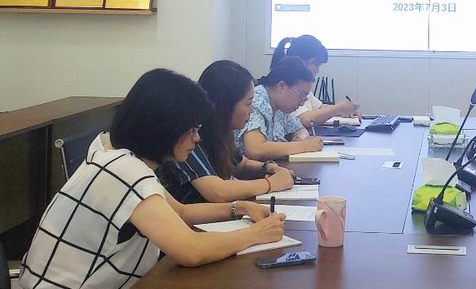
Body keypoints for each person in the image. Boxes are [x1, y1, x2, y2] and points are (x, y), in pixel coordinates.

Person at [19, 69, 286, 289]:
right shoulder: (123, 171)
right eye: (192, 129)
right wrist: (255, 234)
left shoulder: (120, 156)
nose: (197, 138)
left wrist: (240, 208)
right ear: (164, 127)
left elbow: (180, 211)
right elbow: (191, 250)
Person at [157, 60, 295, 204]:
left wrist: (269, 168)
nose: (252, 110)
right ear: (226, 105)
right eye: (248, 103)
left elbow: (240, 165)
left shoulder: (220, 131)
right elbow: (218, 192)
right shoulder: (191, 135)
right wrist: (270, 184)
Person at [235, 56, 324, 160]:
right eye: (301, 95)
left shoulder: (280, 108)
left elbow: (301, 130)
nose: (302, 103)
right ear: (282, 86)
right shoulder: (257, 102)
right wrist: (304, 146)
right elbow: (256, 150)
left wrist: (299, 139)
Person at [271, 35, 359, 129]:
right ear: (300, 61)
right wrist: (338, 108)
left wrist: (344, 110)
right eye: (315, 64)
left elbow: (320, 108)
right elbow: (304, 119)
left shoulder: (302, 87)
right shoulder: (288, 87)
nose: (317, 70)